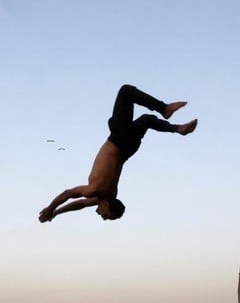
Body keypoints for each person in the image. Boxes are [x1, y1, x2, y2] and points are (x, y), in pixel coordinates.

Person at [38, 84, 197, 223]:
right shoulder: (95, 190)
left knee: (146, 120)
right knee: (125, 91)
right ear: (107, 204)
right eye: (105, 215)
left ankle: (178, 128)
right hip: (118, 141)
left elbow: (79, 204)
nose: (101, 215)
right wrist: (50, 209)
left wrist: (55, 212)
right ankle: (165, 110)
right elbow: (68, 194)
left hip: (129, 148)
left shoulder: (109, 193)